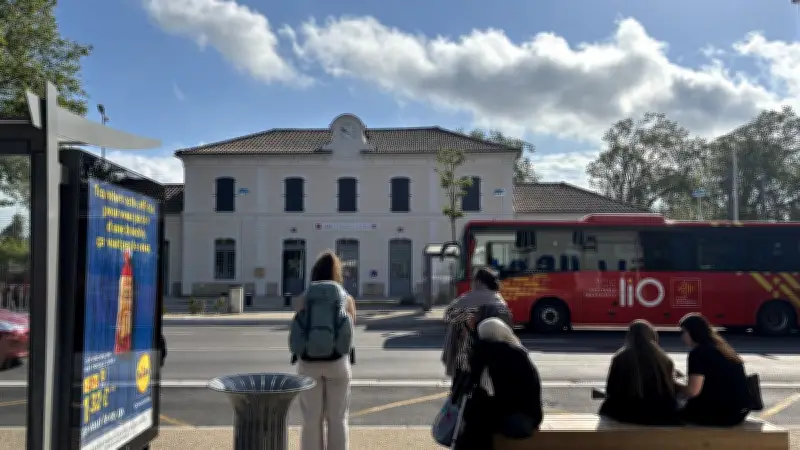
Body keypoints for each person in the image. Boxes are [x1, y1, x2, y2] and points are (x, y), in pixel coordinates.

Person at [291, 251, 357, 450]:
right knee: (338, 418)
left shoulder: (305, 297)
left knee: (311, 418)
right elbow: (351, 326)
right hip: (338, 362)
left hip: (308, 363)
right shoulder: (345, 298)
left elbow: (298, 324)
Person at [455, 318, 542, 450]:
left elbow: (475, 386)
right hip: (526, 417)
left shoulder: (484, 354)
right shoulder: (517, 353)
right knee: (479, 420)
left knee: (475, 422)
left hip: (514, 418)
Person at [442, 267, 512, 395]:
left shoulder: (469, 299)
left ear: (479, 282)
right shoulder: (499, 300)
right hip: (495, 355)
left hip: (467, 355)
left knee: (461, 393)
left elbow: (448, 315)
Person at [599, 320, 681, 425]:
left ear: (629, 336)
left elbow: (610, 389)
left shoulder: (621, 357)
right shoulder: (664, 359)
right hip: (661, 413)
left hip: (630, 413)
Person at [677, 313, 750, 426]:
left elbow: (693, 391)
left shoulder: (698, 353)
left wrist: (674, 385)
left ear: (693, 332)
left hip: (718, 414)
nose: (681, 337)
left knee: (669, 410)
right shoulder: (722, 349)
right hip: (738, 412)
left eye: (683, 332)